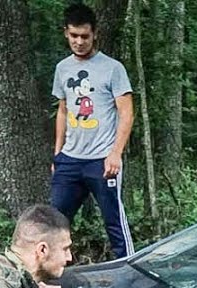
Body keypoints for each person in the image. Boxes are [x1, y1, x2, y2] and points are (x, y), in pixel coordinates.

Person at [50, 3, 135, 260]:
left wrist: (115, 154)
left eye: (84, 36)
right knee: (53, 223)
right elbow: (63, 110)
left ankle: (129, 270)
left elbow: (126, 113)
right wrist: (58, 153)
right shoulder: (62, 68)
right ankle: (49, 277)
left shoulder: (112, 68)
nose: (79, 41)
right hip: (70, 159)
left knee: (114, 222)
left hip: (102, 160)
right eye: (74, 35)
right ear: (66, 33)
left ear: (95, 34)